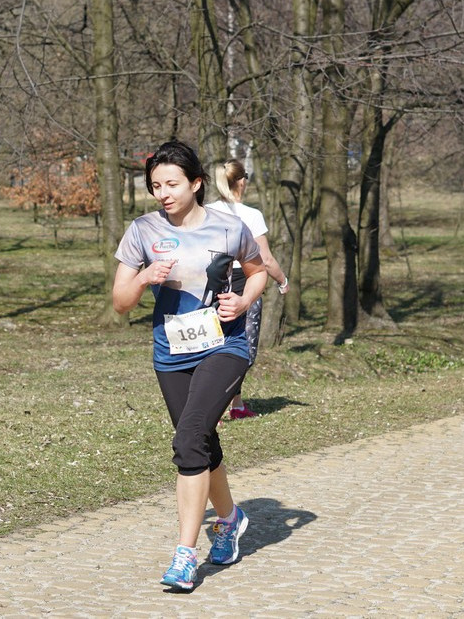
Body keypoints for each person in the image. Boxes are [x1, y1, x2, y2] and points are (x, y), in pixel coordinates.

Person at [112, 141, 267, 591]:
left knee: (188, 440)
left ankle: (185, 555)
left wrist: (243, 301)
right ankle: (230, 519)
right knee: (200, 440)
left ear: (196, 183)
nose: (163, 193)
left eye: (172, 184)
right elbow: (120, 302)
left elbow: (257, 270)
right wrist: (144, 277)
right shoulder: (142, 230)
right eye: (156, 185)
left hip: (225, 346)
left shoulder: (229, 226)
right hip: (171, 353)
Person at [204, 159, 289, 420]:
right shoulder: (251, 215)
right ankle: (215, 408)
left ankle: (237, 405)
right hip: (244, 284)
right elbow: (265, 259)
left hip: (211, 285)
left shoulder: (205, 211)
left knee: (213, 345)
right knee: (243, 352)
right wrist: (282, 281)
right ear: (241, 181)